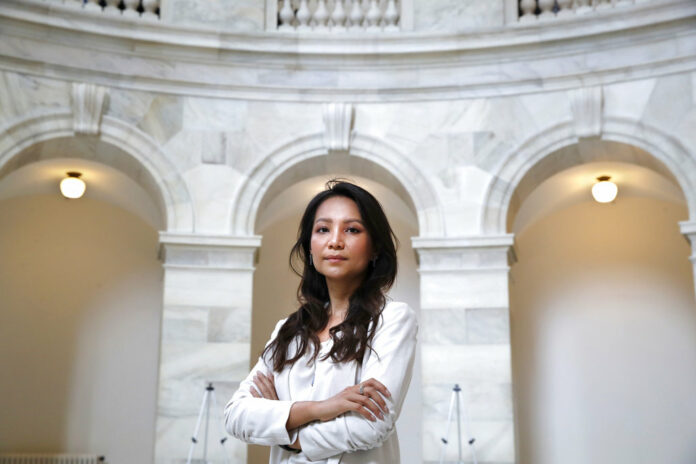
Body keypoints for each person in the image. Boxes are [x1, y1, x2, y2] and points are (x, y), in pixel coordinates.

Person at [224, 179, 418, 464]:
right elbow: (236, 415)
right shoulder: (287, 330)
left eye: (352, 229)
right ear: (310, 248)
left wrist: (285, 428)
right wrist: (321, 408)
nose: (335, 241)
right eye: (323, 229)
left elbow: (371, 426)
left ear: (375, 247)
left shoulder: (392, 319)